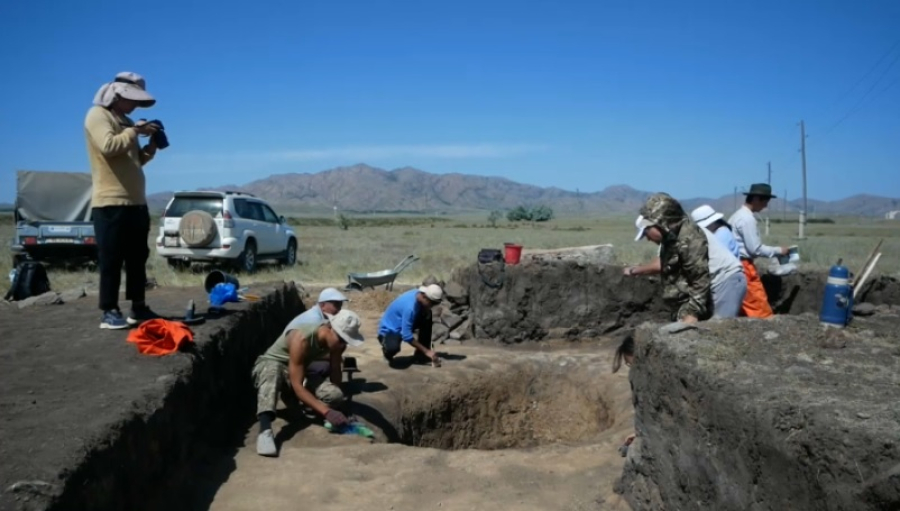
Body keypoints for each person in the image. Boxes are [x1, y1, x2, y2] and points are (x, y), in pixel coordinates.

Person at [85, 72, 162, 329]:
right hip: (110, 202)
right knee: (111, 259)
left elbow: (134, 160)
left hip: (135, 203)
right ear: (117, 95)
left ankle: (138, 307)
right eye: (132, 99)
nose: (135, 105)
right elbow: (108, 146)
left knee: (137, 258)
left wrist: (150, 146)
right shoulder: (98, 115)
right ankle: (109, 310)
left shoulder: (125, 121)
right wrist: (134, 131)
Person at [253, 309, 365, 457]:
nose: (343, 344)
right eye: (342, 339)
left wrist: (336, 406)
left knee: (335, 395)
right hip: (275, 367)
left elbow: (335, 370)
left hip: (300, 371)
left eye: (346, 341)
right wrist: (327, 412)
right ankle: (265, 429)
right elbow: (297, 385)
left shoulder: (337, 344)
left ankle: (301, 402)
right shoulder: (301, 338)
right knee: (271, 370)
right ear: (330, 329)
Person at [624, 193, 711, 323]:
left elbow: (700, 279)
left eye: (647, 231)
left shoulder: (690, 238)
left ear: (661, 223)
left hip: (689, 309)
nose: (648, 238)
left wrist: (692, 314)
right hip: (678, 308)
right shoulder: (669, 239)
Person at [727, 184, 790, 319]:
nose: (765, 206)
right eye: (765, 202)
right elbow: (754, 249)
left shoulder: (737, 215)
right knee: (758, 305)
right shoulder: (747, 219)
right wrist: (779, 250)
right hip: (744, 266)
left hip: (734, 264)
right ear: (756, 199)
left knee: (742, 304)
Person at [378, 284, 443, 366]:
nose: (432, 306)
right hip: (389, 331)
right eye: (431, 304)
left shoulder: (418, 295)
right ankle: (386, 351)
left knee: (427, 314)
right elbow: (407, 336)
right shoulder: (410, 308)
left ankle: (420, 355)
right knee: (393, 348)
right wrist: (426, 351)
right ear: (424, 297)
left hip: (401, 324)